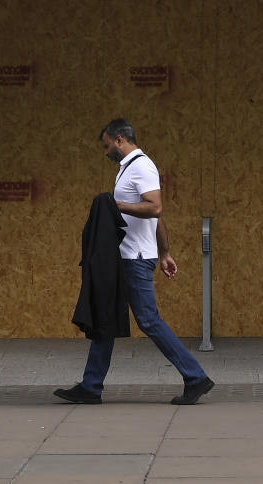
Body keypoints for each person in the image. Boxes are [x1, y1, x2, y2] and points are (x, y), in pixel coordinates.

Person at [55, 118, 214, 405]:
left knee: (149, 320)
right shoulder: (127, 169)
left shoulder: (142, 166)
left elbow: (155, 207)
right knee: (105, 315)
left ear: (119, 140)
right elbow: (157, 216)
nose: (105, 152)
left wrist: (115, 205)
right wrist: (164, 252)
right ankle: (91, 386)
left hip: (135, 259)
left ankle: (195, 376)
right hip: (128, 257)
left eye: (107, 146)